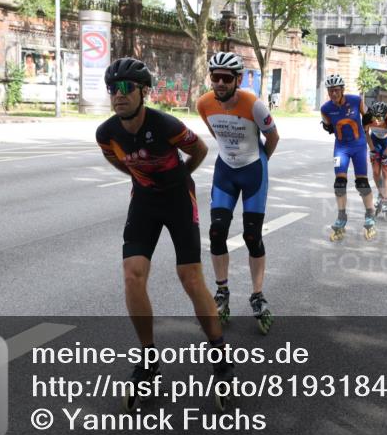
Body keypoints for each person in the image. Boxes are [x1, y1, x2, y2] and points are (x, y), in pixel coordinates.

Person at [95, 57, 231, 411]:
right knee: (132, 275)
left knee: (189, 278)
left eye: (126, 88)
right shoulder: (106, 133)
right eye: (113, 89)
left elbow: (199, 149)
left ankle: (220, 357)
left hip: (177, 199)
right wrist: (141, 179)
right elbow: (116, 159)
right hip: (144, 201)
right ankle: (149, 359)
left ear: (143, 92)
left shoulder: (165, 124)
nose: (118, 95)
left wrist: (179, 176)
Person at [197, 52, 279, 335]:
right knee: (216, 232)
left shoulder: (254, 106)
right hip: (225, 171)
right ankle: (222, 291)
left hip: (253, 170)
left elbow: (273, 136)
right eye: (215, 77)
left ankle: (257, 294)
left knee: (252, 235)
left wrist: (261, 161)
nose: (219, 83)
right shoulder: (204, 104)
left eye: (226, 78)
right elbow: (216, 134)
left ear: (238, 80)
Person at [320, 74, 377, 240]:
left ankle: (369, 215)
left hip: (358, 146)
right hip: (341, 148)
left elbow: (368, 117)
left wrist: (367, 126)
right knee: (339, 184)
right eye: (330, 91)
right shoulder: (325, 108)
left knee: (362, 183)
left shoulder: (355, 100)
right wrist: (326, 125)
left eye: (336, 90)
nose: (333, 94)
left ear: (342, 90)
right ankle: (341, 217)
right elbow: (328, 126)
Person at [365, 101, 387, 218]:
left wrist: (386, 153)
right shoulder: (368, 119)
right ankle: (381, 193)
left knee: (386, 169)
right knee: (376, 172)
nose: (377, 121)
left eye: (380, 118)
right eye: (375, 117)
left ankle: (385, 199)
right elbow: (366, 134)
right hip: (375, 141)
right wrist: (372, 149)